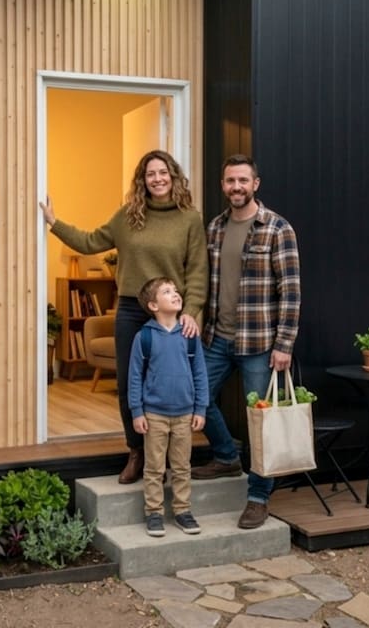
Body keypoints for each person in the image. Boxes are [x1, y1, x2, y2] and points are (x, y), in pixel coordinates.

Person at [40, 149, 208, 484]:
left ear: (173, 177)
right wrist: (53, 223)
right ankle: (137, 453)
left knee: (166, 381)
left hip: (170, 314)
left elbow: (197, 271)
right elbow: (90, 242)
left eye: (163, 173)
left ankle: (168, 457)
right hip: (132, 309)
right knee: (129, 381)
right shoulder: (128, 216)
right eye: (150, 174)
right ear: (142, 180)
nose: (157, 179)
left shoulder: (190, 219)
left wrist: (190, 311)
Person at [193, 154, 300, 529]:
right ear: (222, 185)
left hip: (260, 343)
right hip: (217, 338)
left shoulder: (277, 229)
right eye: (229, 181)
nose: (235, 187)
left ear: (255, 184)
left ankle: (258, 496)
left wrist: (284, 343)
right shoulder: (215, 228)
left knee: (262, 424)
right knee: (196, 397)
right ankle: (226, 456)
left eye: (242, 180)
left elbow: (291, 291)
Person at [128, 277, 208, 537]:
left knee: (182, 466)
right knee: (154, 467)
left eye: (175, 290)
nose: (175, 294)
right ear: (153, 305)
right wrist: (137, 412)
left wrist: (201, 408)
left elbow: (200, 374)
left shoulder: (190, 335)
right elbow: (135, 377)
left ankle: (183, 510)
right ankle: (154, 513)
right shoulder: (145, 338)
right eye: (166, 291)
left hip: (185, 414)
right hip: (155, 415)